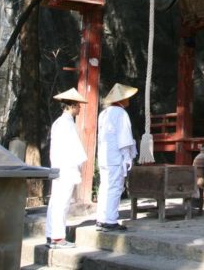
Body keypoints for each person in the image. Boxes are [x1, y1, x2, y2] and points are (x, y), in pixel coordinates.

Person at [45, 88, 88, 249]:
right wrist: (80, 163)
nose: (80, 108)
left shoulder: (59, 122)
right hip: (66, 166)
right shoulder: (66, 124)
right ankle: (57, 237)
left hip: (58, 165)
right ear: (72, 105)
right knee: (62, 202)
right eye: (78, 106)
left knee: (56, 201)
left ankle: (51, 234)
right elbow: (73, 147)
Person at [95, 82, 138, 232]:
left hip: (104, 156)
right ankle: (110, 220)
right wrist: (127, 157)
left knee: (104, 187)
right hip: (116, 157)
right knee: (115, 188)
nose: (129, 100)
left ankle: (101, 218)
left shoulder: (103, 114)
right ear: (121, 99)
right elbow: (124, 138)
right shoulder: (121, 113)